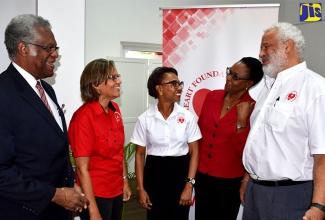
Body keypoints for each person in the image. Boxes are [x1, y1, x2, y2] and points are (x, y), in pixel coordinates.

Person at [0, 14, 89, 220]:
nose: (55, 54)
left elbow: (55, 149)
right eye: (48, 48)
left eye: (56, 48)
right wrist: (54, 194)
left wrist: (70, 183)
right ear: (24, 49)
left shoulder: (47, 90)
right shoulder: (3, 93)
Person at [242, 22, 325, 220]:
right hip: (255, 191)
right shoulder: (267, 89)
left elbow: (322, 154)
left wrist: (319, 205)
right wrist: (247, 179)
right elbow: (259, 141)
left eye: (266, 46)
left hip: (289, 196)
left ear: (288, 46)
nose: (261, 53)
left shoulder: (315, 88)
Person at [194, 57, 264, 220]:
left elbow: (245, 152)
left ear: (249, 83)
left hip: (229, 181)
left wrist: (241, 124)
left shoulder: (253, 109)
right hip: (203, 174)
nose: (229, 77)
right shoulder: (212, 96)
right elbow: (198, 134)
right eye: (229, 72)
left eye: (235, 76)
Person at [130, 67, 201, 220]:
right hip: (154, 174)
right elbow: (140, 155)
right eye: (173, 84)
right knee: (156, 216)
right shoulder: (145, 118)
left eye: (179, 83)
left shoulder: (187, 117)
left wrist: (189, 185)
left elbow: (195, 153)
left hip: (180, 173)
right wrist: (140, 188)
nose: (179, 87)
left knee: (179, 216)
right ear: (159, 88)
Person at [68, 58, 132, 220]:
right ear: (96, 85)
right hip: (96, 193)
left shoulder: (115, 109)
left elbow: (119, 152)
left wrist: (124, 180)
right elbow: (82, 169)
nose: (119, 81)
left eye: (118, 76)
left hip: (116, 188)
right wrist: (93, 210)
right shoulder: (83, 118)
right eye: (113, 77)